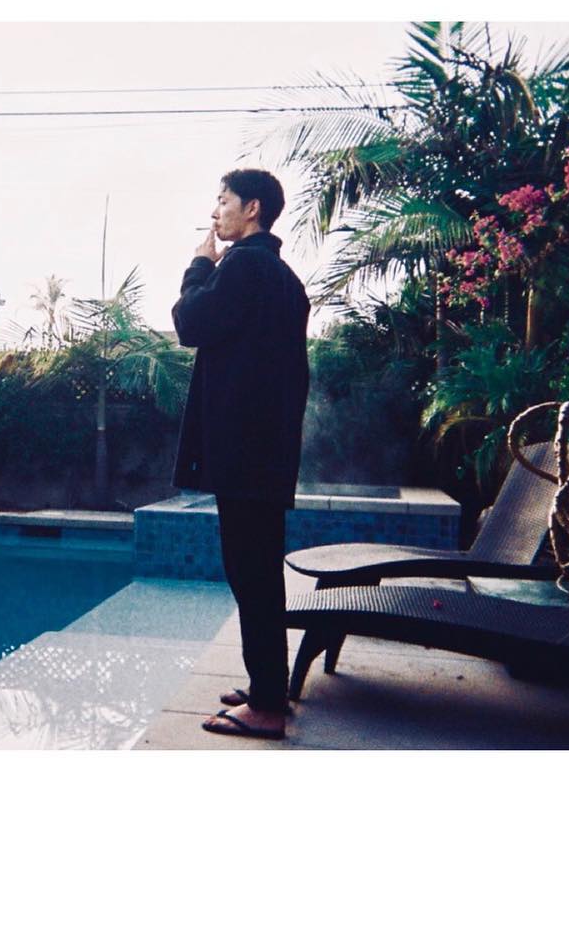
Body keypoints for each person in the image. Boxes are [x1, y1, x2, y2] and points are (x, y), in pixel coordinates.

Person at [171, 168, 310, 741]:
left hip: (246, 453)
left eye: (223, 200)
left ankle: (268, 706)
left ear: (252, 208)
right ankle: (266, 686)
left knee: (250, 574)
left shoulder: (244, 266)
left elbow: (189, 322)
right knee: (258, 573)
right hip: (266, 450)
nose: (215, 212)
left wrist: (198, 266)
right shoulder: (284, 278)